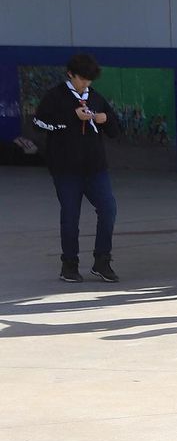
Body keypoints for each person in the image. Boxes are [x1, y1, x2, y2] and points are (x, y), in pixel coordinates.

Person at [33, 53, 122, 283]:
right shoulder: (55, 96)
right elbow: (39, 123)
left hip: (96, 169)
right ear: (70, 74)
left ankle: (102, 261)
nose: (85, 84)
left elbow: (115, 130)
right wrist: (71, 117)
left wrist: (105, 119)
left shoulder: (95, 97)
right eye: (82, 79)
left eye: (89, 80)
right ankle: (69, 264)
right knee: (70, 217)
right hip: (66, 170)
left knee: (108, 209)